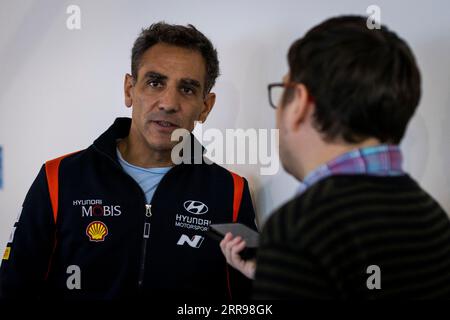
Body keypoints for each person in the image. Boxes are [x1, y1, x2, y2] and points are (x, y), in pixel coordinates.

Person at [0, 22, 257, 300]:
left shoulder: (230, 192)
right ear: (129, 89)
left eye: (187, 89)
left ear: (205, 107)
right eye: (155, 82)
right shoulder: (58, 178)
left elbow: (245, 302)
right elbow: (14, 291)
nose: (168, 103)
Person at [221, 15, 450, 299]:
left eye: (282, 91)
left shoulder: (299, 228)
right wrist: (279, 274)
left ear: (300, 103)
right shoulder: (434, 218)